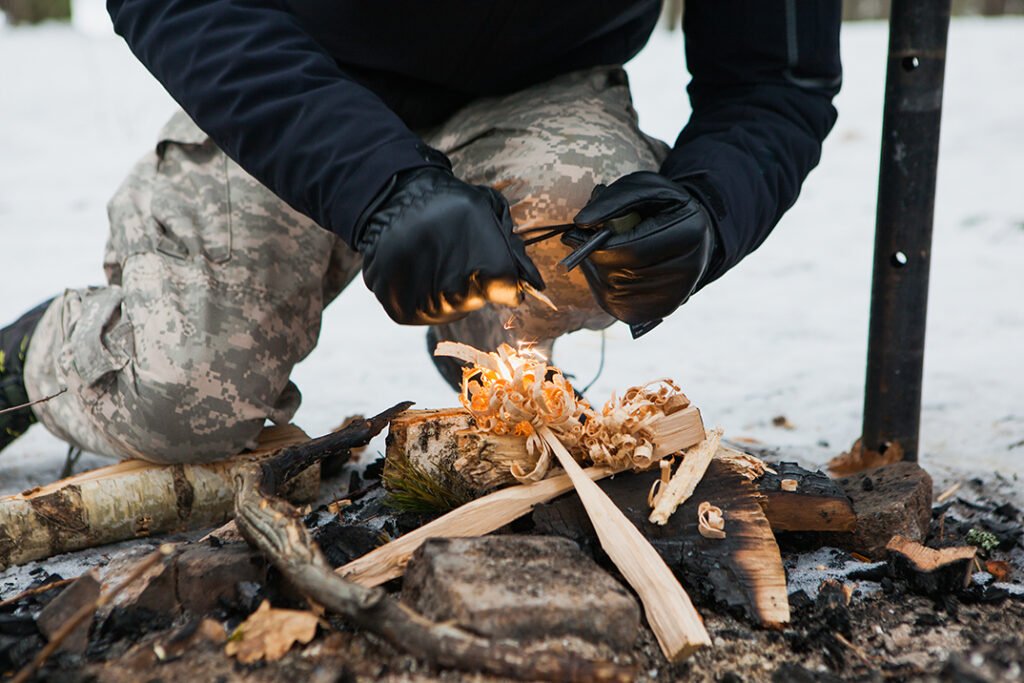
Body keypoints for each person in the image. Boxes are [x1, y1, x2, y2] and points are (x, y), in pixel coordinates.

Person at [0, 1, 842, 464]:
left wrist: (708, 211)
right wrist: (379, 186)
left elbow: (778, 78)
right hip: (294, 74)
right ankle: (39, 352)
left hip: (539, 92)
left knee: (595, 250)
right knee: (185, 394)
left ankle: (483, 329)